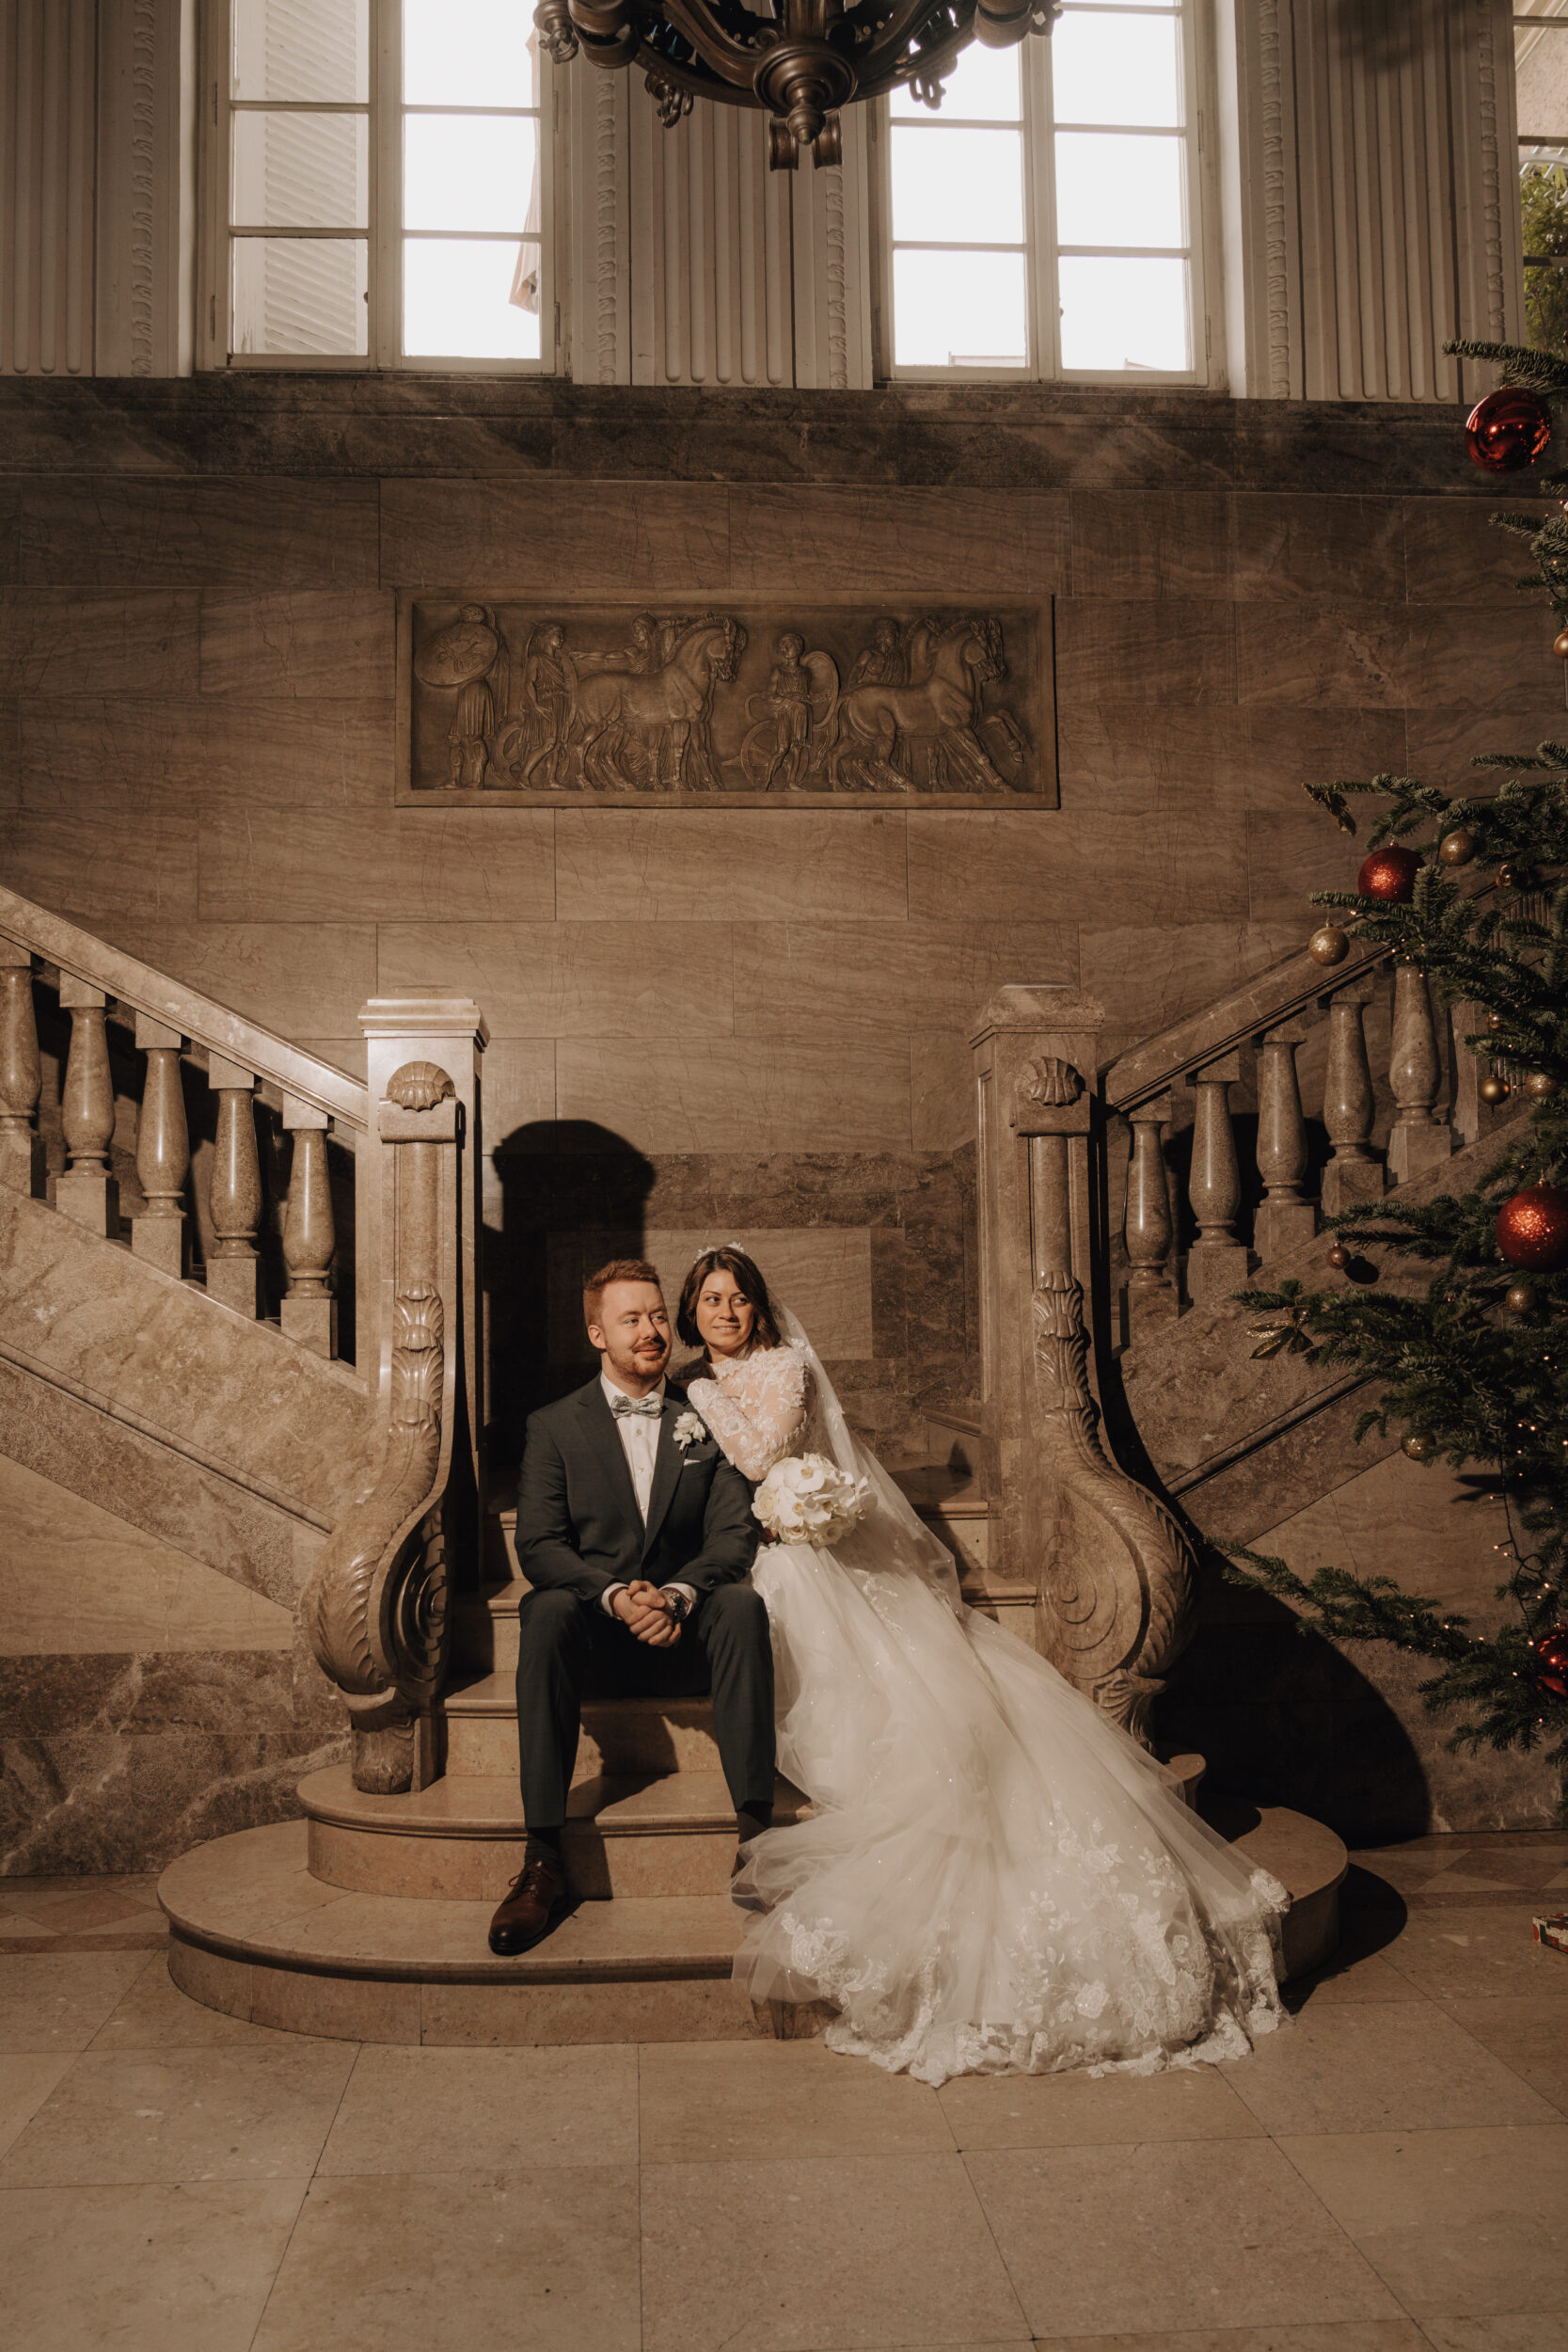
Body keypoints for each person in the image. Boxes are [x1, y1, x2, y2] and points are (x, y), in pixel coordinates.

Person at [676, 1244, 1291, 2087]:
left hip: (803, 1543)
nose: (725, 1312)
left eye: (738, 1297)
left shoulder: (775, 1368)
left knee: (870, 1661)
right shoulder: (682, 1383)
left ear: (758, 1308)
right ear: (690, 1310)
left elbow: (761, 1457)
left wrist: (707, 1395)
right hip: (750, 1545)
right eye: (710, 1299)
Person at [487, 1259, 776, 1956]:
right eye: (630, 1319)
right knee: (545, 1609)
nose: (650, 1332)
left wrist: (678, 1595)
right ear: (597, 1333)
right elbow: (539, 1544)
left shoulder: (704, 1417)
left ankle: (758, 1840)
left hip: (687, 1638)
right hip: (595, 1642)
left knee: (739, 1604)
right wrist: (615, 1597)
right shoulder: (553, 1426)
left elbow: (731, 1532)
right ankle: (542, 1856)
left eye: (655, 1316)